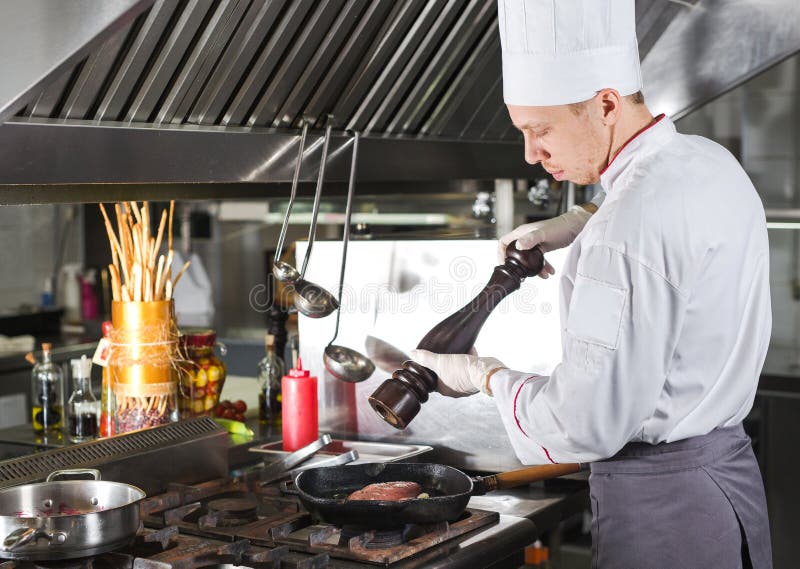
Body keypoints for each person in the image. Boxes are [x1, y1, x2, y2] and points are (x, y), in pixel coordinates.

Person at [410, 1, 772, 567]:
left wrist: (486, 376)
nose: (532, 153)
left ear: (605, 104)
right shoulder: (706, 161)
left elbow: (586, 424)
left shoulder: (623, 234)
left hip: (665, 511)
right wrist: (581, 220)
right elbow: (660, 218)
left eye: (541, 129)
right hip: (726, 488)